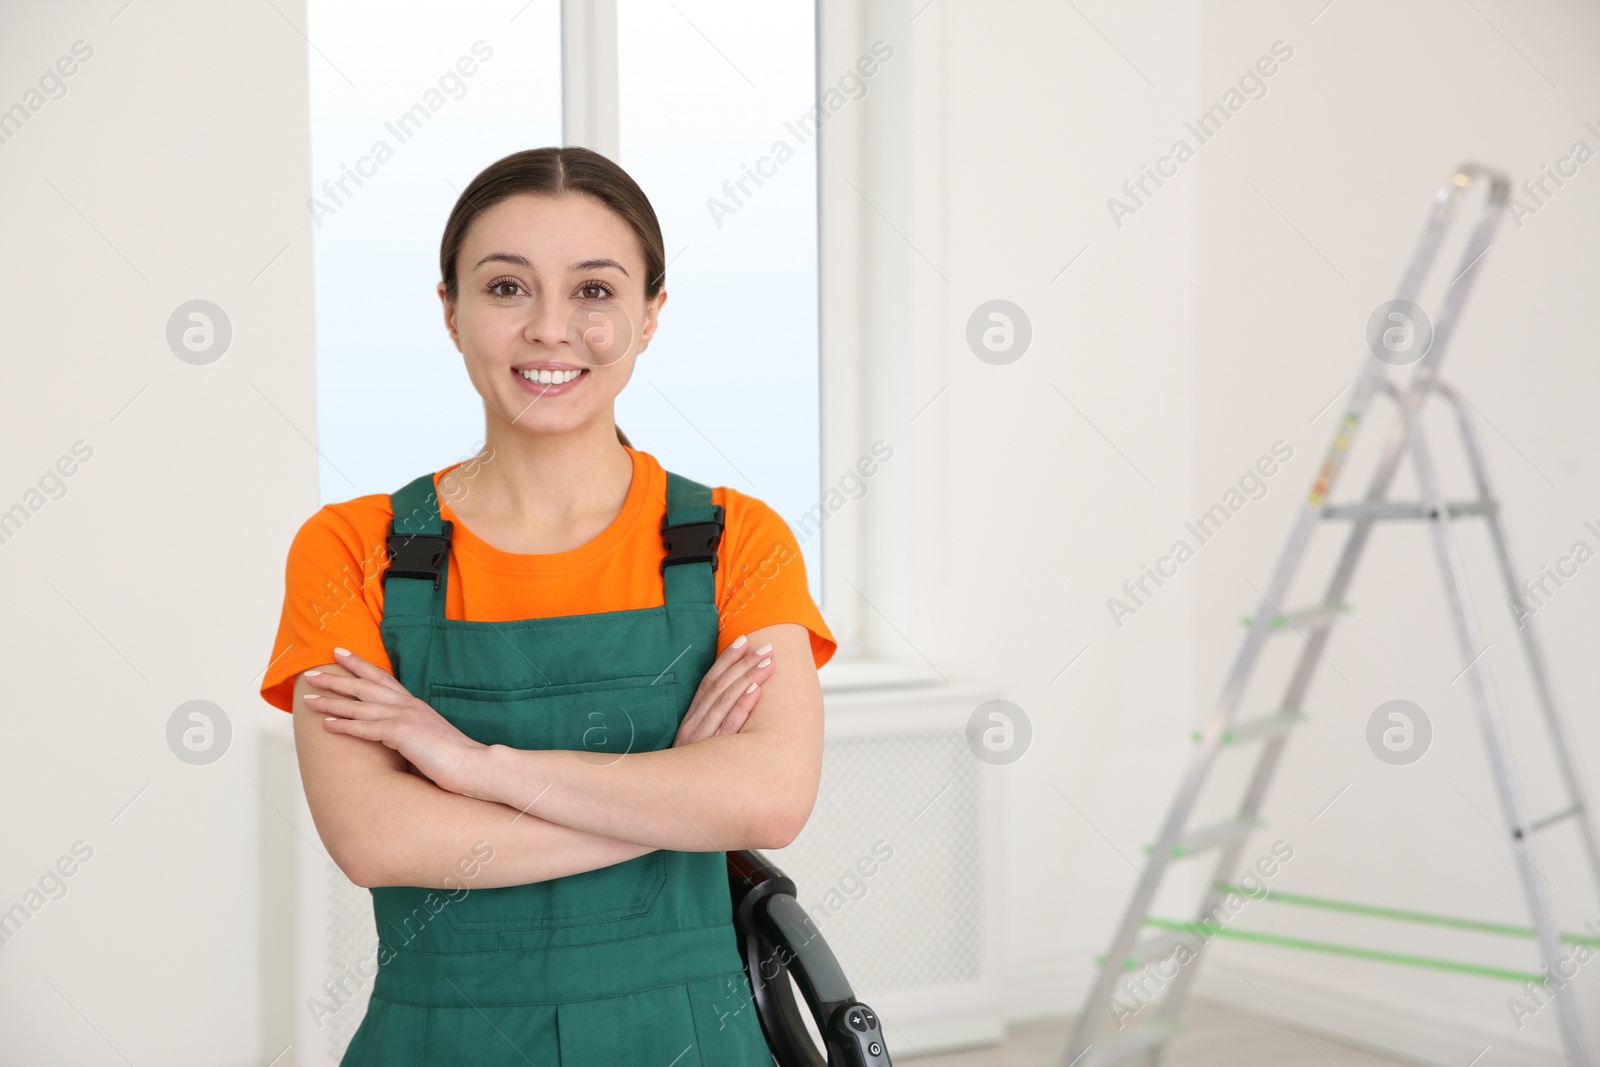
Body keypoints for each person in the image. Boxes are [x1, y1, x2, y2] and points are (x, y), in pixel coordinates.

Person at [259, 145, 836, 1064]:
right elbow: (375, 838)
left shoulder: (736, 539)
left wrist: (468, 764)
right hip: (442, 1039)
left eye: (596, 292)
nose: (551, 329)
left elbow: (766, 802)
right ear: (450, 311)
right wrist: (669, 797)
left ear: (651, 317)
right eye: (506, 288)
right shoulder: (350, 550)